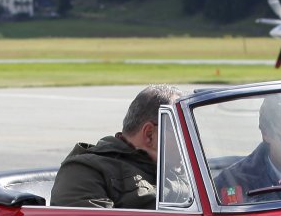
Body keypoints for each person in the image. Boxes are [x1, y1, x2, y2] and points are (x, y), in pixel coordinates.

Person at [50, 85, 183, 208]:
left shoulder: (185, 172)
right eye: (181, 131)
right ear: (149, 134)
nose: (187, 139)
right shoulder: (85, 171)